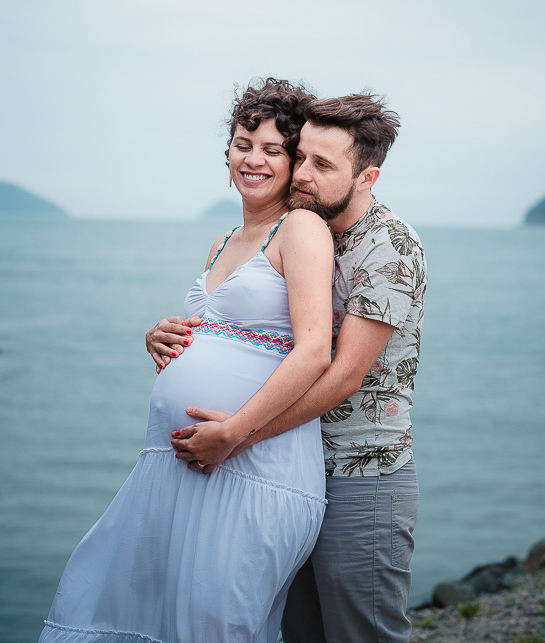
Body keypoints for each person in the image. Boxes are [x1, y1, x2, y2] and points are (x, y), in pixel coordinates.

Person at [40, 78, 334, 643]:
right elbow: (227, 329)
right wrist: (163, 337)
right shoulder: (223, 241)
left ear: (294, 162)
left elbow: (315, 350)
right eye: (243, 143)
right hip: (182, 469)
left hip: (254, 467)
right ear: (226, 152)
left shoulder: (300, 228)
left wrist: (233, 432)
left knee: (216, 627)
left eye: (273, 149)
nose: (254, 159)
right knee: (142, 616)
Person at [151, 94, 427, 643]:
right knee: (299, 632)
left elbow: (343, 374)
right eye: (301, 157)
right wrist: (175, 336)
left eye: (323, 166)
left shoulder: (389, 247)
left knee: (361, 634)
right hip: (289, 469)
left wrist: (236, 434)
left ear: (367, 176)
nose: (302, 174)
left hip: (358, 474)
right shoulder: (304, 227)